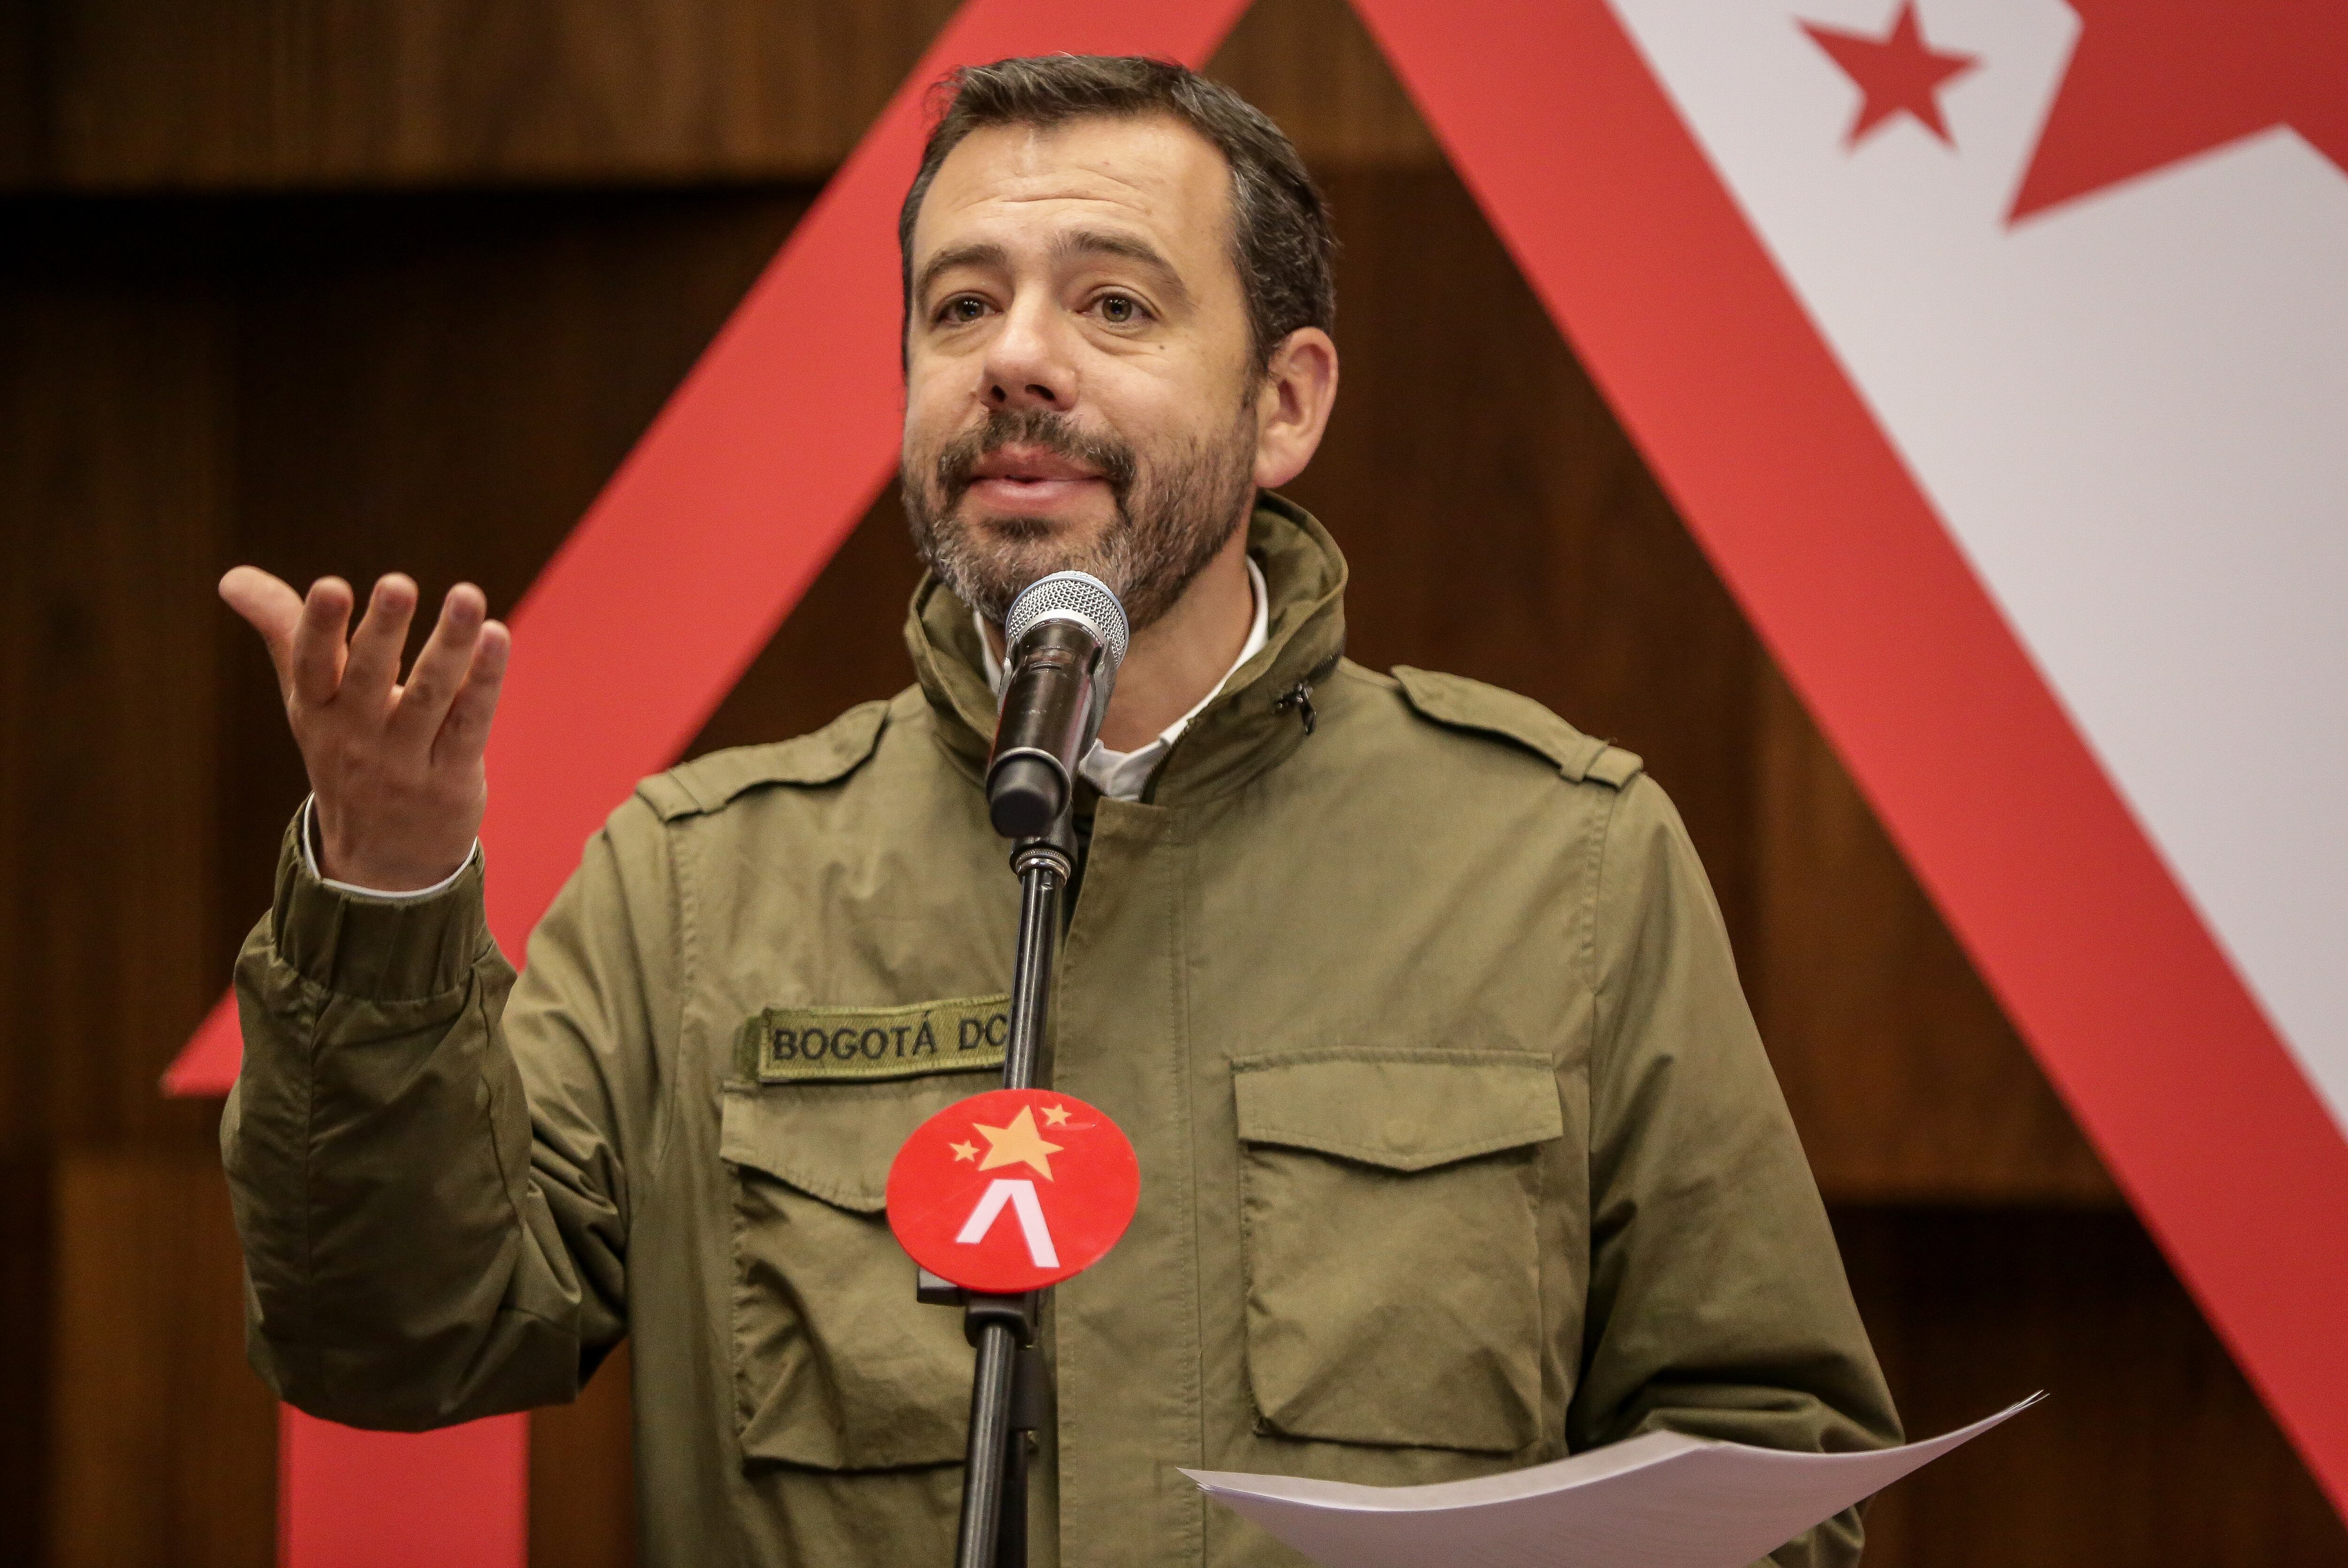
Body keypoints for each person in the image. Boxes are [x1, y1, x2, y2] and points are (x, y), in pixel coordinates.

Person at [217, 55, 1899, 1568]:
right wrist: (385, 887)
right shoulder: (702, 884)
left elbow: (1780, 1464)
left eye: (1111, 305)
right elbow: (396, 1335)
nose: (1017, 358)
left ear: (1288, 403)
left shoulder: (1568, 862)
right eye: (961, 308)